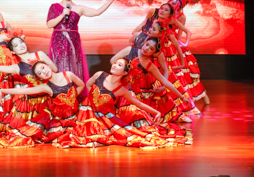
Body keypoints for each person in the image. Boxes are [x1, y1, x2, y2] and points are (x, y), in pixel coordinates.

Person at [57, 58, 192, 149]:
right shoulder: (100, 75)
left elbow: (138, 103)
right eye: (115, 63)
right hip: (86, 111)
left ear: (125, 72)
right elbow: (88, 84)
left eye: (119, 65)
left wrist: (156, 112)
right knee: (84, 131)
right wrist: (90, 102)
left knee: (123, 134)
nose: (115, 65)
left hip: (103, 117)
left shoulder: (121, 90)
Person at [46, 0, 121, 86]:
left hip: (73, 41)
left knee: (73, 64)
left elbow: (97, 12)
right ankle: (58, 89)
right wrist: (63, 15)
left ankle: (73, 89)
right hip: (58, 40)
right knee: (58, 64)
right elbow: (49, 24)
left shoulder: (79, 8)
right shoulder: (54, 6)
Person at [0, 61, 85, 145]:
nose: (44, 72)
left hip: (76, 112)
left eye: (43, 67)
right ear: (40, 78)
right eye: (40, 73)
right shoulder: (45, 87)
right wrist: (2, 90)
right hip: (60, 118)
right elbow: (22, 91)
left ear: (48, 65)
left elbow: (81, 85)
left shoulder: (68, 75)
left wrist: (71, 98)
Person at [169, 0, 210, 105]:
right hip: (161, 42)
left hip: (172, 44)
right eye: (171, 2)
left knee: (185, 75)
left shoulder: (181, 17)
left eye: (176, 4)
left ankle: (202, 94)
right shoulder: (163, 12)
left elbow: (180, 35)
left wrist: (183, 44)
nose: (172, 5)